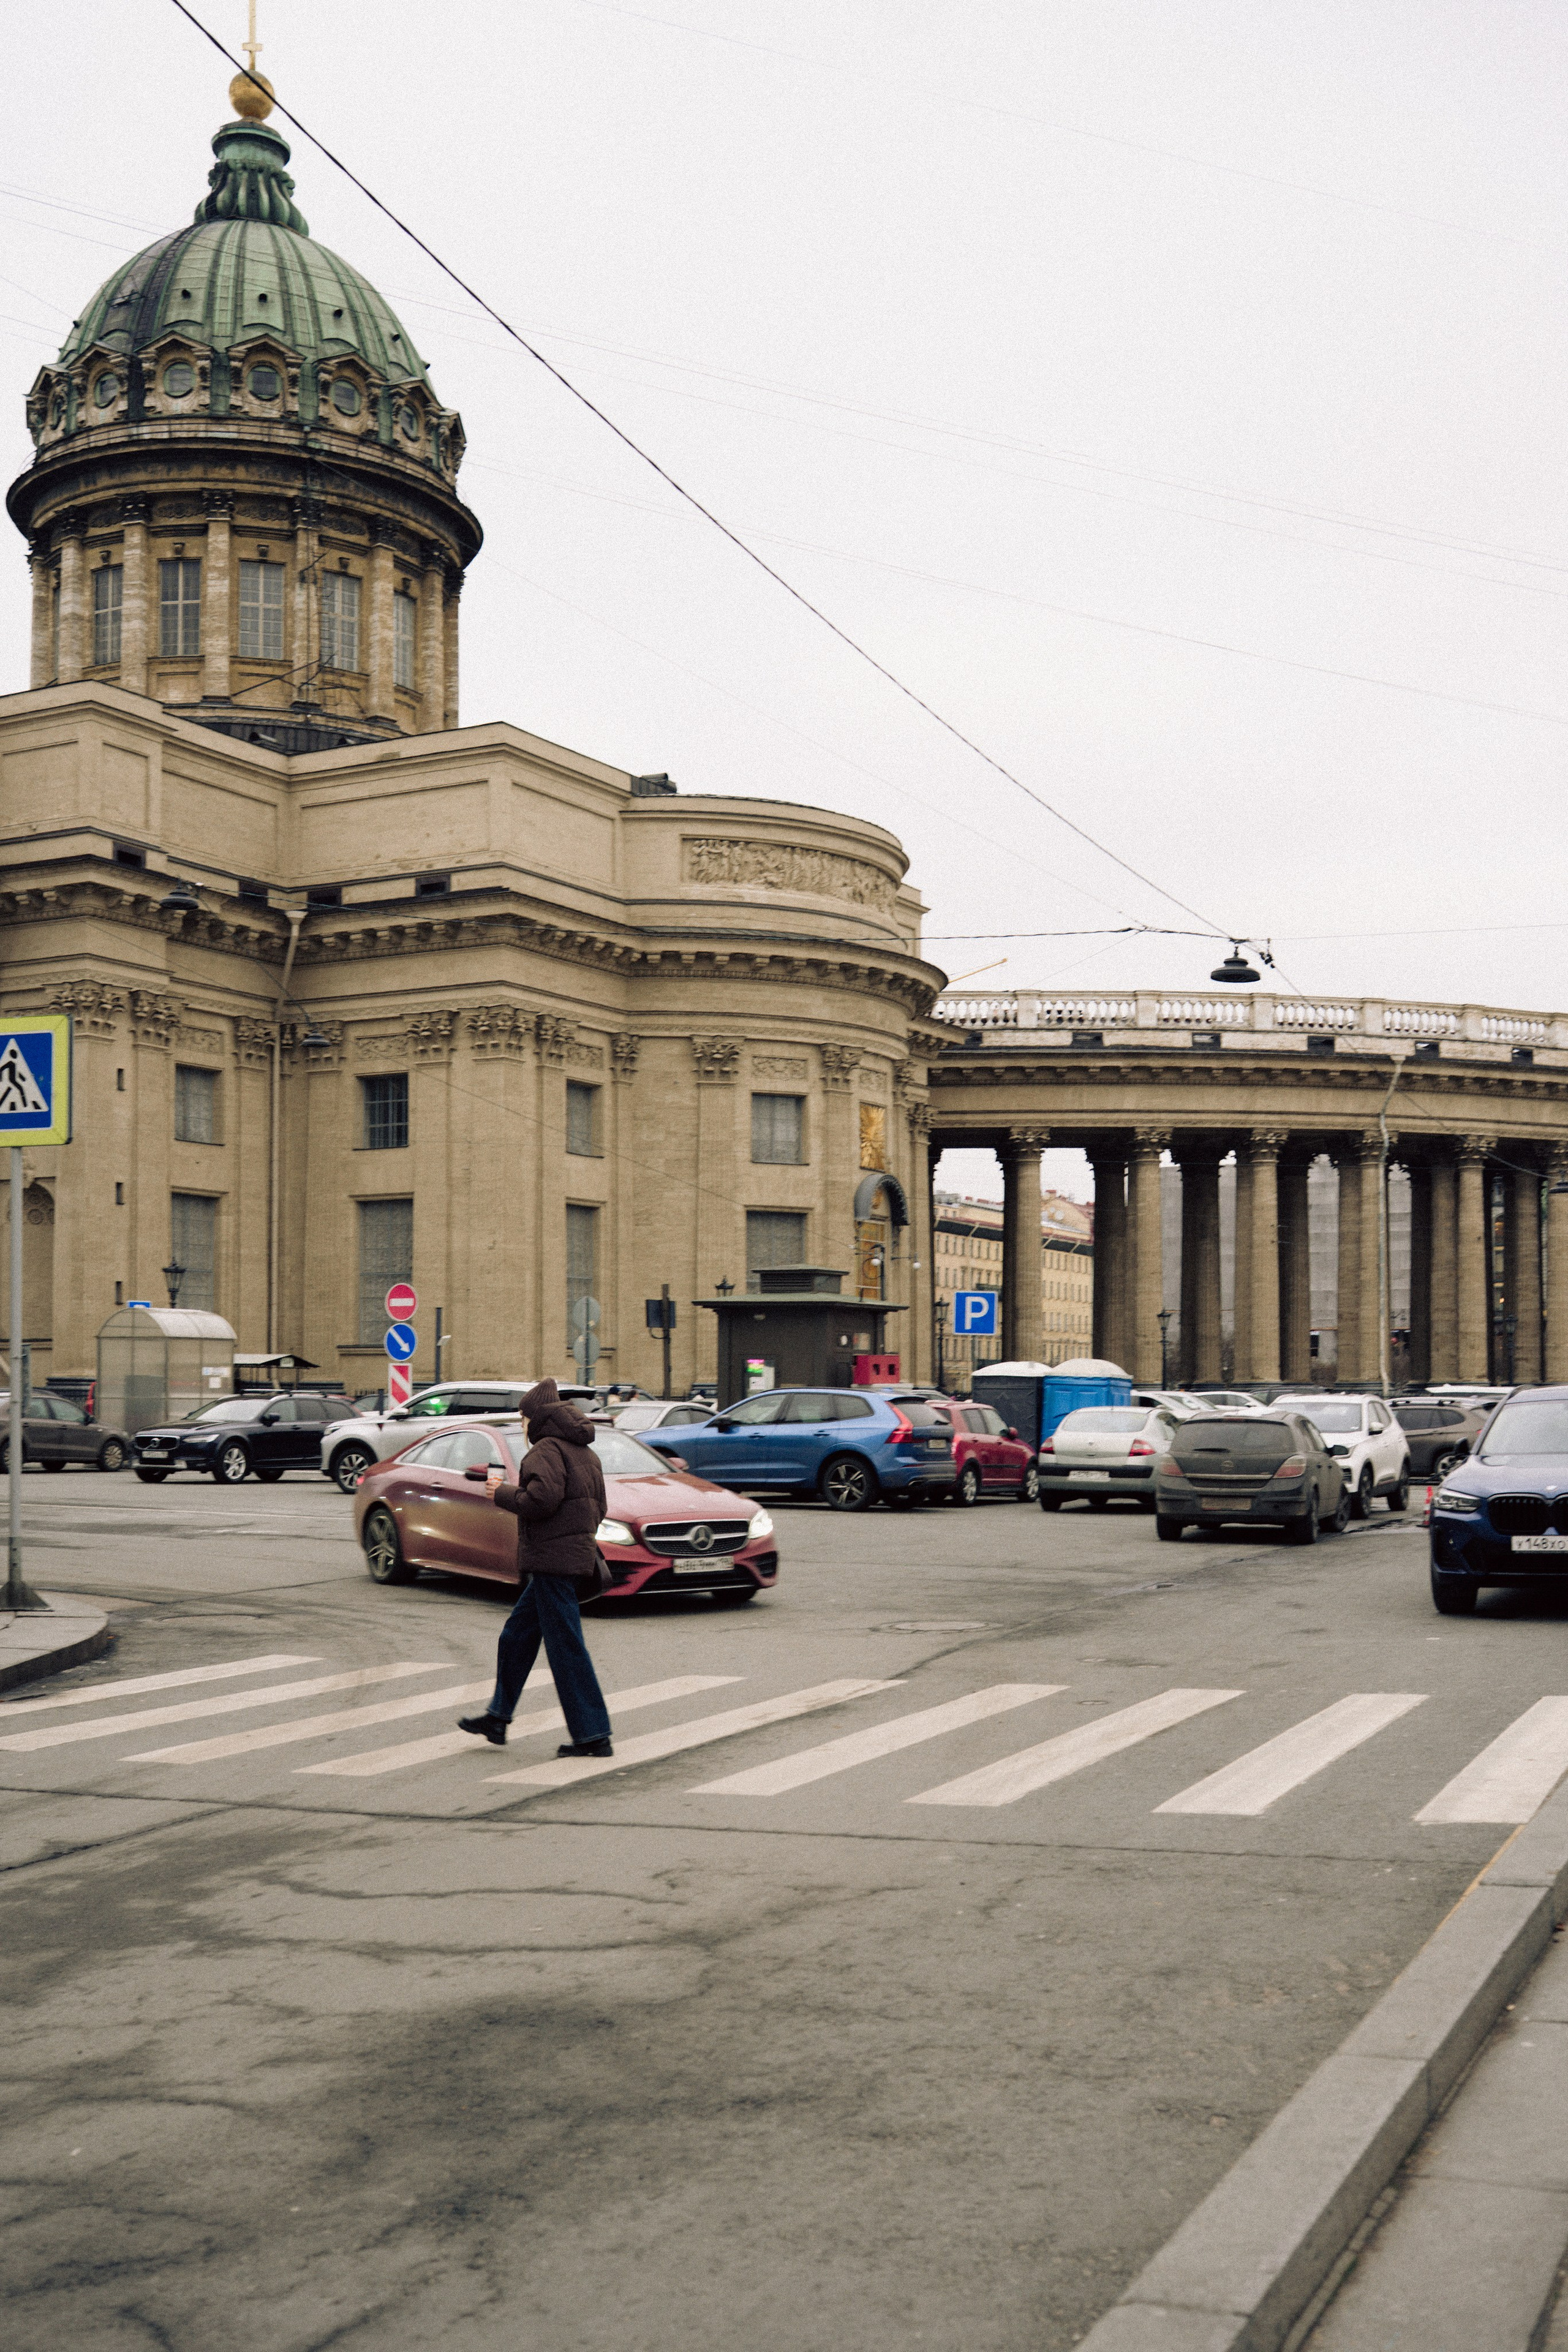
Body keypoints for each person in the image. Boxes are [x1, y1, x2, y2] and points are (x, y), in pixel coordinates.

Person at [457, 1379, 614, 1755]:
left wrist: (502, 1494)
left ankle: (593, 1735)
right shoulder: (584, 1452)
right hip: (567, 1558)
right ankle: (498, 1717)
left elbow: (541, 1500)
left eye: (523, 1418)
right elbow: (600, 1508)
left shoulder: (546, 1450)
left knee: (566, 1648)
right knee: (517, 1635)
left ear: (535, 1418)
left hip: (551, 1561)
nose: (522, 1426)